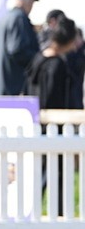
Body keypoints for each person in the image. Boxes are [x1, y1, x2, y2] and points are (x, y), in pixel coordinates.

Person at [25, 18, 78, 216]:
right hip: (53, 127)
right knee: (56, 173)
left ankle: (32, 212)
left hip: (35, 125)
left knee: (39, 173)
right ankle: (59, 213)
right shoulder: (56, 65)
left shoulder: (38, 59)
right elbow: (54, 100)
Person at [0, 0, 40, 96]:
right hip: (16, 86)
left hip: (1, 84)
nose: (31, 5)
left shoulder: (2, 19)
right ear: (23, 0)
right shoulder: (19, 18)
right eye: (31, 1)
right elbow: (17, 50)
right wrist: (39, 58)